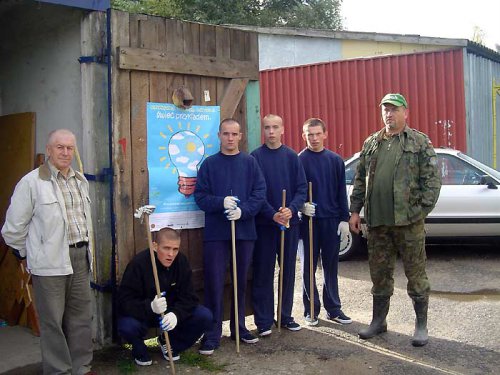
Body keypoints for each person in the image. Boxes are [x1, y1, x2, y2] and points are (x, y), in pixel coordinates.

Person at [349, 93, 441, 347]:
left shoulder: (419, 142)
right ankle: (379, 321)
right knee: (379, 275)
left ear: (405, 112)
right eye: (385, 109)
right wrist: (355, 211)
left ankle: (421, 325)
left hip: (408, 223)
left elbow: (432, 183)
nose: (389, 114)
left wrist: (418, 212)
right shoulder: (371, 144)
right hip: (378, 223)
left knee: (416, 274)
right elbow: (360, 179)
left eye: (394, 109)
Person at [2, 129, 95, 374]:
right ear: (49, 149)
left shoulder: (80, 181)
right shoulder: (32, 182)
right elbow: (12, 228)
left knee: (81, 319)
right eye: (60, 147)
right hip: (50, 263)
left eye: (70, 148)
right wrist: (27, 253)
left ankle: (81, 368)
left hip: (80, 258)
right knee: (53, 322)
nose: (66, 152)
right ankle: (58, 371)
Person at [194, 118, 266, 355]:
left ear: (241, 136)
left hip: (244, 232)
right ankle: (212, 333)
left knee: (240, 280)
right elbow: (200, 197)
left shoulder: (250, 163)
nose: (230, 138)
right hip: (216, 234)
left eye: (234, 134)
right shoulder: (209, 165)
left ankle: (239, 327)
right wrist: (220, 203)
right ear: (219, 135)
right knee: (214, 282)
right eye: (226, 134)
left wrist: (243, 211)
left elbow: (259, 193)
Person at [117, 226, 212, 366]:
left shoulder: (181, 262)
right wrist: (150, 306)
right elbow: (125, 302)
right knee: (126, 325)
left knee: (204, 316)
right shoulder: (138, 264)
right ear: (155, 246)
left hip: (169, 314)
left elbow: (190, 297)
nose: (171, 254)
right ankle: (139, 348)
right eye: (166, 248)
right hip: (143, 314)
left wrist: (176, 314)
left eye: (175, 249)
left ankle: (170, 343)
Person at [250, 114, 307, 336]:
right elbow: (255, 192)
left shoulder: (292, 157)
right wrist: (272, 213)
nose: (271, 131)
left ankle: (285, 316)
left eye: (275, 127)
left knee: (288, 272)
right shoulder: (255, 158)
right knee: (263, 272)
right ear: (263, 131)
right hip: (264, 225)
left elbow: (302, 189)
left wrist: (291, 209)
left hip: (289, 225)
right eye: (267, 128)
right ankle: (263, 321)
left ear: (282, 129)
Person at [298, 118, 351, 326]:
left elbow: (341, 192)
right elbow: (297, 190)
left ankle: (334, 309)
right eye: (309, 134)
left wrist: (344, 219)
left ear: (325, 134)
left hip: (331, 221)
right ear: (304, 136)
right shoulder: (299, 160)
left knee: (331, 267)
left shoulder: (335, 160)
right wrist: (302, 206)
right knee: (307, 267)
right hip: (308, 222)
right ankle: (311, 310)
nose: (314, 138)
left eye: (317, 133)